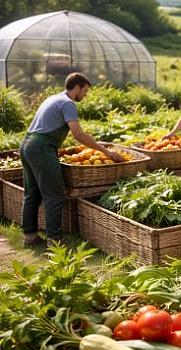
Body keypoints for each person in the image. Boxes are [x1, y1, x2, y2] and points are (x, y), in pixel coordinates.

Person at [21, 72, 124, 247]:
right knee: (54, 195)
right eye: (85, 91)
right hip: (42, 148)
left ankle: (29, 237)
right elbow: (78, 134)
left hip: (27, 145)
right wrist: (105, 151)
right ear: (77, 87)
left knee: (32, 193)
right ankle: (55, 241)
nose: (85, 95)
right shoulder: (68, 103)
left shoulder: (54, 98)